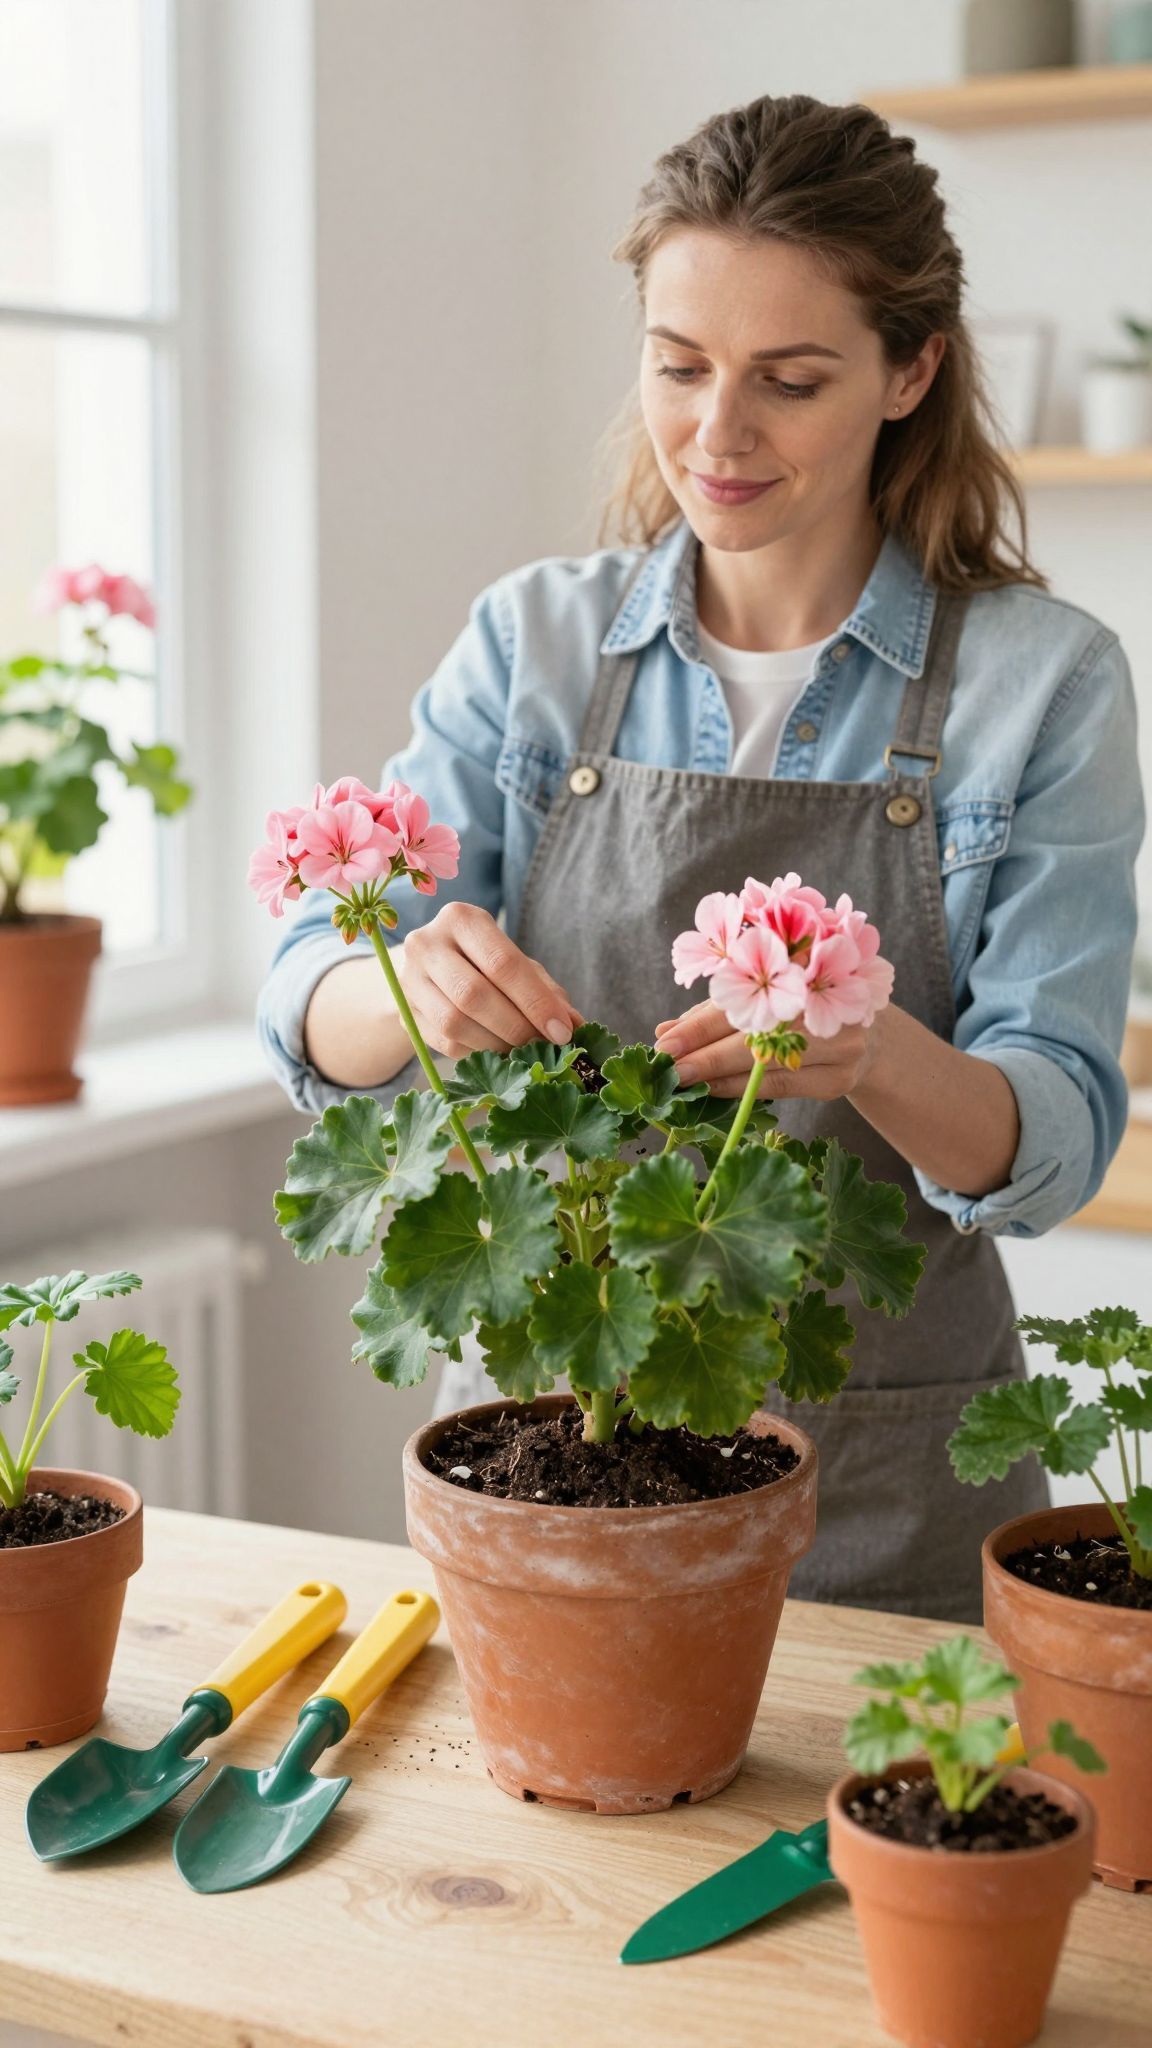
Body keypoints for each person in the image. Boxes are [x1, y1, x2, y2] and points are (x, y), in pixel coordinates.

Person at [259, 94, 1144, 1622]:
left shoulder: (1043, 682)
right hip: (563, 1464)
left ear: (909, 372)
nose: (716, 435)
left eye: (790, 381)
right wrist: (402, 984)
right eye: (678, 367)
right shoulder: (530, 646)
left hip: (891, 1486)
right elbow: (310, 1001)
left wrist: (868, 1057)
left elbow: (1053, 1134)